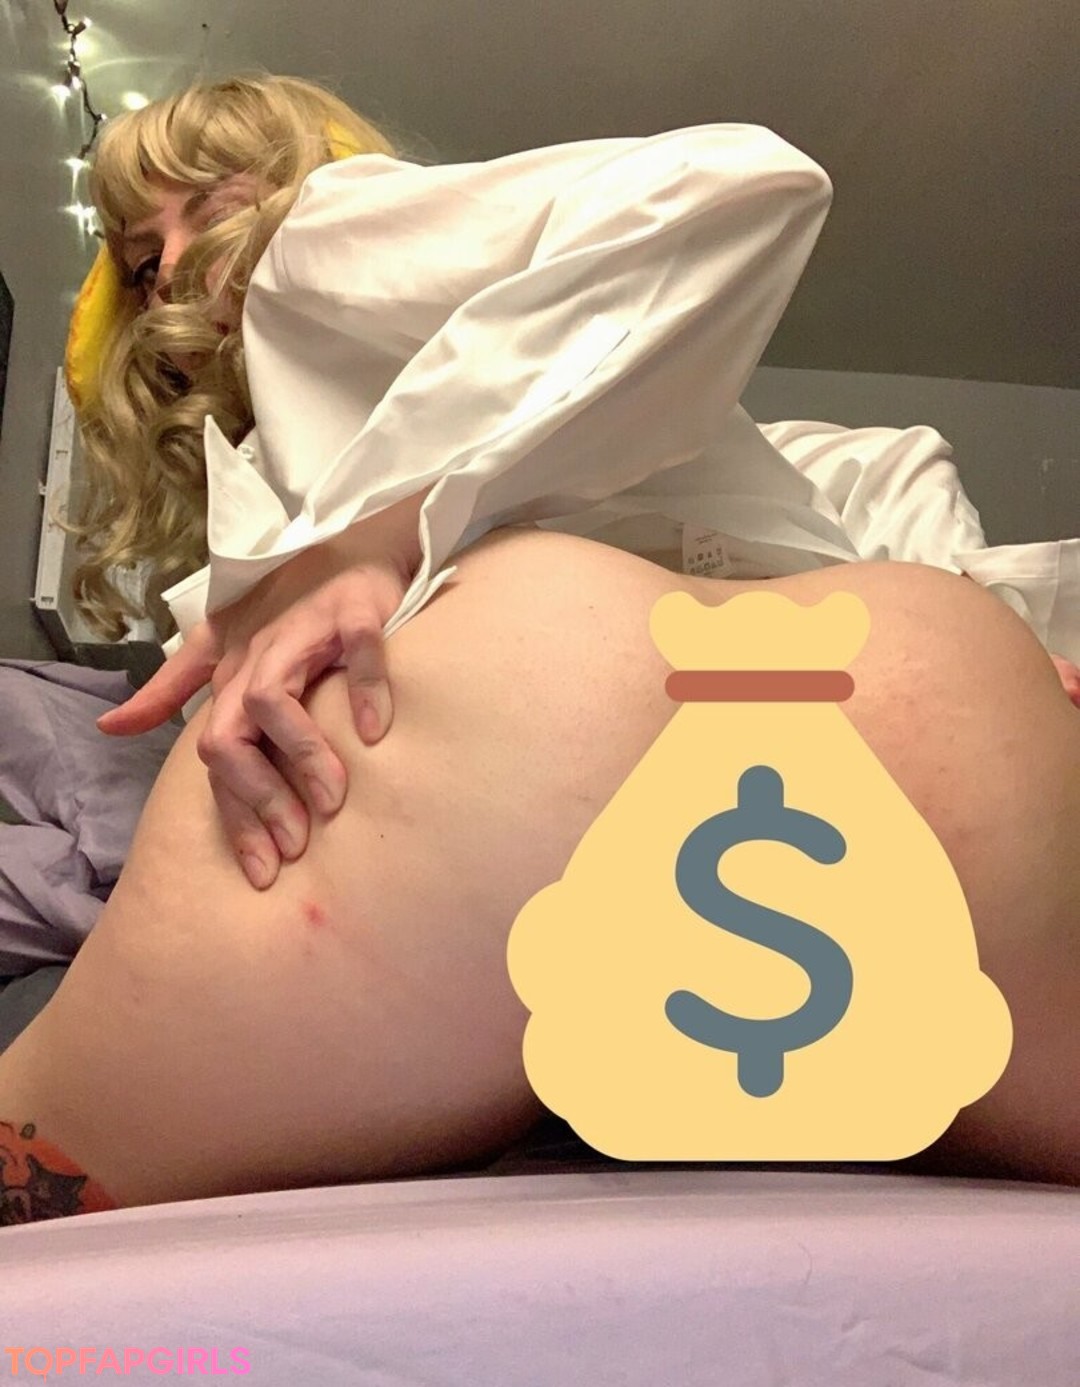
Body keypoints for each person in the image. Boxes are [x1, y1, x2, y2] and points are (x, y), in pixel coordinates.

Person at [1, 75, 1077, 1223]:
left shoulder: (318, 241)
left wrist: (373, 530)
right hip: (905, 753)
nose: (171, 265)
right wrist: (1014, 647)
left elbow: (745, 186)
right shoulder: (706, 444)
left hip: (515, 769)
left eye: (210, 207)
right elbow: (893, 495)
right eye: (137, 257)